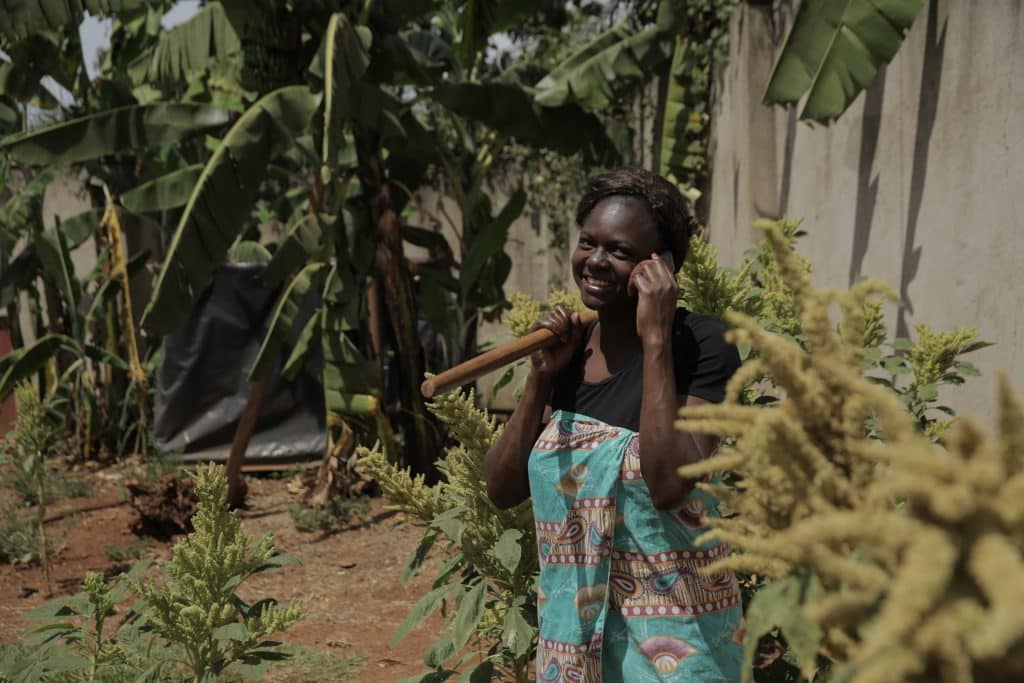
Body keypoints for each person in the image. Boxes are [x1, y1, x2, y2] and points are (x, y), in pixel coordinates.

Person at [484, 167, 744, 682]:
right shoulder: (567, 354)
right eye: (588, 244)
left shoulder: (703, 345)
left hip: (681, 649)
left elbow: (670, 484)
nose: (596, 262)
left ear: (661, 267)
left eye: (619, 251)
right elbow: (501, 487)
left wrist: (656, 342)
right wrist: (539, 378)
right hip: (576, 646)